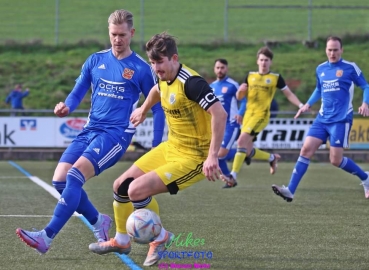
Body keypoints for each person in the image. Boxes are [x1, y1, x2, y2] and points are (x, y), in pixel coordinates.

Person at [15, 9, 165, 254]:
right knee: (60, 180)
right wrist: (66, 106)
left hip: (115, 136)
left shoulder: (140, 68)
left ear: (132, 33)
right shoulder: (95, 60)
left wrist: (157, 145)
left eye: (123, 35)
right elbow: (78, 91)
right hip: (90, 129)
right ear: (109, 32)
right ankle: (98, 221)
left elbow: (158, 108)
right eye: (114, 34)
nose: (117, 39)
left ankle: (46, 237)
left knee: (74, 177)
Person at [88, 32, 227, 267]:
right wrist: (143, 109)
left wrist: (212, 156)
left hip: (194, 157)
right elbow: (157, 90)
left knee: (136, 191)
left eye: (160, 62)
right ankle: (122, 240)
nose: (156, 68)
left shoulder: (192, 83)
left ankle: (160, 238)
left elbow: (219, 114)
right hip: (170, 147)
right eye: (152, 63)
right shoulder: (163, 77)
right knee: (120, 186)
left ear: (174, 58)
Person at [272, 36, 369, 202]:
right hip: (322, 119)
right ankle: (290, 190)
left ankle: (366, 178)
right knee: (305, 150)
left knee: (335, 160)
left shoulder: (350, 67)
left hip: (341, 119)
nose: (332, 53)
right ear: (326, 50)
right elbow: (318, 89)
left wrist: (365, 103)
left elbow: (366, 86)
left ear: (341, 50)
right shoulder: (321, 69)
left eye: (335, 50)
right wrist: (307, 104)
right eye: (329, 50)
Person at [221, 46, 304, 188]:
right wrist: (240, 92)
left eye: (266, 60)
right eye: (261, 60)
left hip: (261, 116)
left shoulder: (275, 78)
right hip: (248, 115)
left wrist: (300, 105)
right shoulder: (250, 76)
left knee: (241, 141)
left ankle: (232, 175)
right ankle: (271, 157)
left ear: (270, 62)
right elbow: (240, 97)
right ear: (257, 61)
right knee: (246, 150)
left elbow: (289, 94)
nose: (264, 62)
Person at [209, 58, 250, 188]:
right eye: (217, 68)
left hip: (231, 124)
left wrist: (240, 113)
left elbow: (243, 100)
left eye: (222, 68)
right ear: (214, 69)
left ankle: (244, 154)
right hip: (217, 124)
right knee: (217, 154)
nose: (220, 70)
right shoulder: (212, 87)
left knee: (220, 154)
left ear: (226, 69)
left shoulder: (233, 85)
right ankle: (230, 179)